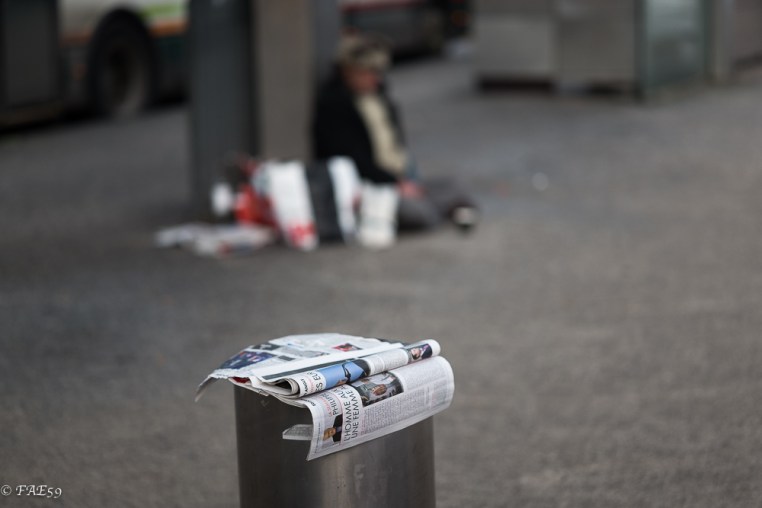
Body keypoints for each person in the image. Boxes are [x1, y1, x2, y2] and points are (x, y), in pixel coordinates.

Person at [312, 34, 478, 232]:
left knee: (454, 185)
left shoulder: (379, 97)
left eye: (378, 72)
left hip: (401, 177)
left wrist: (406, 181)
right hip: (373, 185)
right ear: (349, 72)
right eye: (369, 72)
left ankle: (442, 208)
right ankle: (443, 210)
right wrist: (395, 183)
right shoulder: (335, 106)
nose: (376, 78)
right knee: (418, 213)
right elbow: (353, 159)